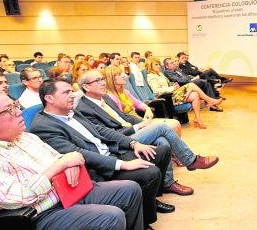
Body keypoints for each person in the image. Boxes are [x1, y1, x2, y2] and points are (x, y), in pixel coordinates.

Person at [0, 91, 145, 230]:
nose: (19, 112)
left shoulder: (24, 137)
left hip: (69, 190)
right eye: (9, 110)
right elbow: (20, 197)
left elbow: (62, 156)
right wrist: (60, 165)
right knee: (110, 217)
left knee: (129, 189)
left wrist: (66, 161)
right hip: (40, 215)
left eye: (15, 105)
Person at [29, 79, 175, 229]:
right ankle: (144, 221)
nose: (72, 95)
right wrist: (122, 165)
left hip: (112, 152)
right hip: (98, 168)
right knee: (150, 173)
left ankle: (149, 201)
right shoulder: (43, 126)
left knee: (162, 151)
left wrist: (133, 143)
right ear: (49, 98)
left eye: (71, 91)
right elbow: (78, 153)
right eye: (66, 92)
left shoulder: (71, 111)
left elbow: (101, 130)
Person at [76, 70, 219, 196]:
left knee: (162, 141)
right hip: (121, 139)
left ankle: (167, 183)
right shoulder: (84, 108)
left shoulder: (105, 98)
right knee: (161, 127)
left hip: (129, 130)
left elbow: (124, 117)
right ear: (86, 87)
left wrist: (140, 121)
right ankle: (191, 160)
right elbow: (106, 134)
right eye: (97, 80)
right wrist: (139, 127)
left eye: (102, 79)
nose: (103, 82)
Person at [146, 57, 222, 129]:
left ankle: (197, 119)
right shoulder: (151, 76)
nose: (159, 66)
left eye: (159, 64)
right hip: (166, 98)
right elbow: (157, 90)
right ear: (150, 66)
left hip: (172, 94)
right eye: (156, 64)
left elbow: (167, 84)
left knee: (195, 94)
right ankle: (210, 101)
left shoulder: (159, 74)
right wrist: (172, 88)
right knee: (191, 85)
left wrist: (173, 85)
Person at [102, 66, 182, 135]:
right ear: (111, 79)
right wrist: (143, 122)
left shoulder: (124, 91)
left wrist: (147, 109)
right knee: (174, 124)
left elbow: (138, 103)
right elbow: (123, 119)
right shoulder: (111, 97)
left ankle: (174, 153)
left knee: (175, 124)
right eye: (119, 75)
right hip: (133, 125)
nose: (123, 76)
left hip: (138, 120)